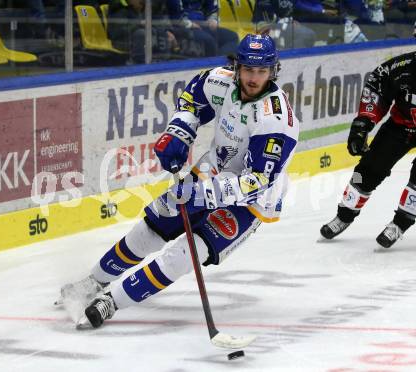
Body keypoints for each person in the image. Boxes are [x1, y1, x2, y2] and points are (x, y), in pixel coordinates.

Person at [58, 34, 299, 328]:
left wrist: (202, 194)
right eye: (249, 69)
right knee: (153, 225)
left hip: (252, 201)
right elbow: (192, 101)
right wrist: (179, 133)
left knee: (187, 252)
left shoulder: (276, 119)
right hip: (213, 170)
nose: (254, 78)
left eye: (262, 71)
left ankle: (112, 301)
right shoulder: (220, 80)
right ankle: (93, 282)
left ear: (273, 71)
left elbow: (257, 181)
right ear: (237, 67)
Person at [320, 32, 416, 248]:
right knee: (368, 169)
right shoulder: (401, 67)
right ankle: (344, 215)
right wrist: (363, 123)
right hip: (401, 126)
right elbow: (376, 86)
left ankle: (399, 224)